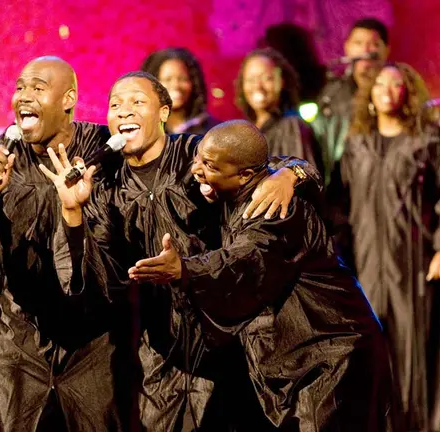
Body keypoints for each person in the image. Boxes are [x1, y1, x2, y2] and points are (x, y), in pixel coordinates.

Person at [39, 71, 321, 430]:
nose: (124, 111)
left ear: (163, 112)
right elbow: (98, 282)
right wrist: (72, 210)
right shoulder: (106, 189)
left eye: (137, 102)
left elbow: (264, 164)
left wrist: (291, 174)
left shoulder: (196, 153)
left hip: (233, 341)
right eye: (114, 104)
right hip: (164, 354)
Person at [126, 119, 394, 431]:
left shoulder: (276, 209)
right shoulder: (242, 185)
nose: (196, 169)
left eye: (209, 165)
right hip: (298, 356)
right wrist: (290, 172)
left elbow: (246, 260)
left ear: (244, 175)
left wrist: (183, 268)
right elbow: (276, 162)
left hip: (331, 356)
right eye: (198, 157)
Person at [0, 56, 123, 431]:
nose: (23, 97)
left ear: (68, 99)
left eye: (38, 88)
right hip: (21, 346)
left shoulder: (104, 151)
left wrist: (282, 174)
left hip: (92, 347)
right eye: (20, 87)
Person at [328, 62, 440, 431]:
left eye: (396, 84)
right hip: (368, 266)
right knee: (376, 349)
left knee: (420, 349)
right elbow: (340, 207)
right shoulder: (355, 147)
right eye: (380, 84)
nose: (387, 90)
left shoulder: (429, 139)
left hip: (417, 262)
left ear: (408, 93)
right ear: (369, 96)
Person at [310, 17, 389, 184]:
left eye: (374, 44)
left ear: (386, 49)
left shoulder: (393, 91)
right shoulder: (332, 94)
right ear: (347, 47)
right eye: (358, 43)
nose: (366, 50)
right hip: (342, 186)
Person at [235, 48, 323, 173]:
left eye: (267, 78)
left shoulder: (292, 126)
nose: (258, 86)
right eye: (250, 80)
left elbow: (300, 178)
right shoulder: (247, 130)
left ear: (281, 82)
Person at [141, 47, 220, 134]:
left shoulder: (213, 131)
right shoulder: (142, 132)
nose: (176, 86)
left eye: (183, 79)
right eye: (168, 79)